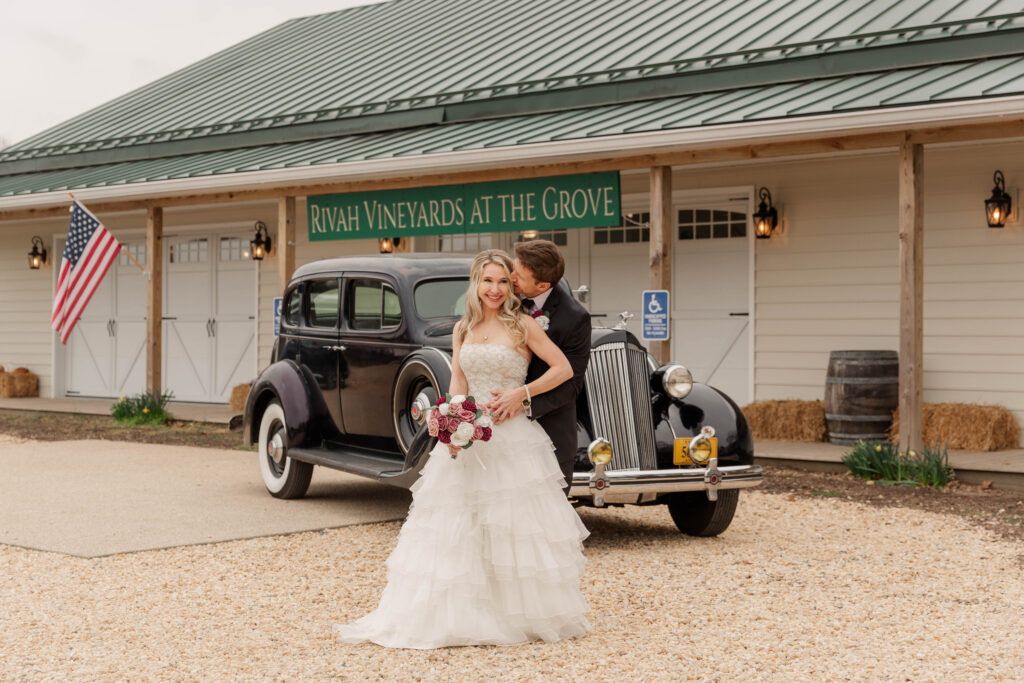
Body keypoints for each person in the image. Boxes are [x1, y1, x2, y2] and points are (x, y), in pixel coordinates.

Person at [333, 249, 590, 649]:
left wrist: (522, 395)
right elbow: (458, 380)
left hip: (512, 435)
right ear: (475, 283)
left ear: (512, 285)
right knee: (456, 523)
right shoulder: (461, 329)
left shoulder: (522, 325)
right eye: (488, 281)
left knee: (511, 525)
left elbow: (563, 369)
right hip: (468, 435)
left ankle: (515, 613)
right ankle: (458, 611)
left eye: (504, 281)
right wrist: (454, 419)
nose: (495, 289)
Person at [487, 240, 592, 494]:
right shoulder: (500, 299)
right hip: (498, 425)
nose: (510, 278)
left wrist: (522, 403)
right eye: (514, 268)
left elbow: (571, 384)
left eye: (518, 276)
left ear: (542, 286)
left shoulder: (574, 318)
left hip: (551, 428)